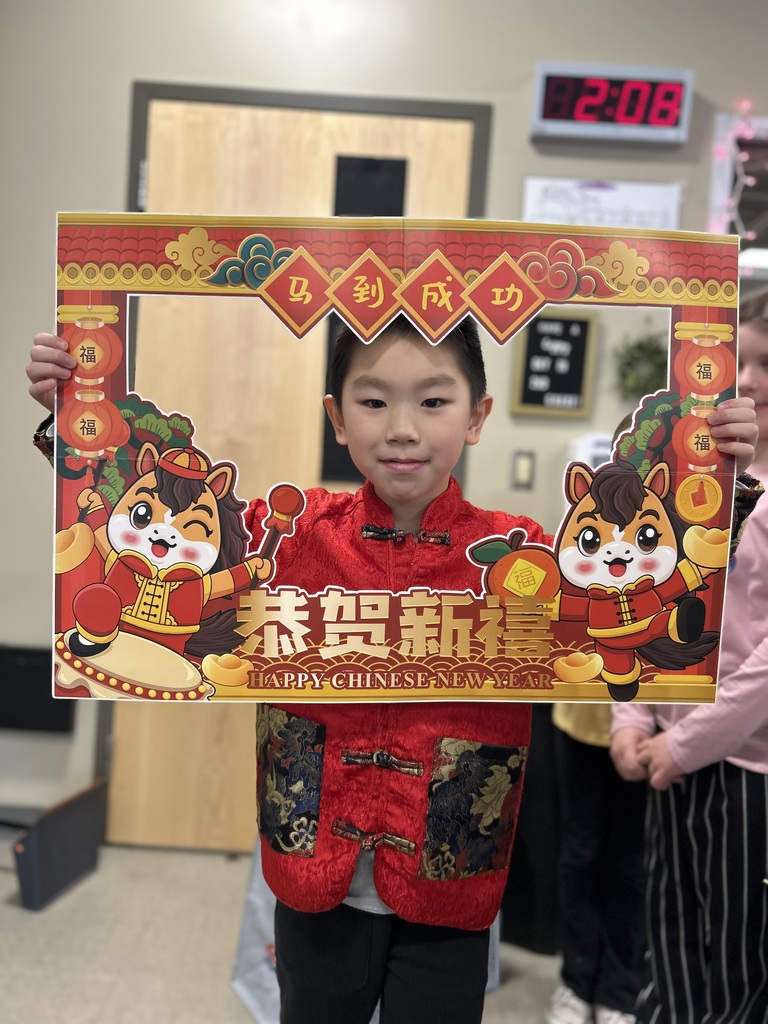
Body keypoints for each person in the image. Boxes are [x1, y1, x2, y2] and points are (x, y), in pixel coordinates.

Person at [27, 316, 758, 1024]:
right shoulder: (286, 538)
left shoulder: (524, 554)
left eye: (434, 401)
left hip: (454, 860)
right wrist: (77, 427)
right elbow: (152, 523)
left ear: (477, 416)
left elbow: (649, 586)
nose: (402, 427)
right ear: (337, 418)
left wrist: (725, 475)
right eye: (373, 401)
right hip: (315, 860)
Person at [610, 289, 768, 1024]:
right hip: (670, 756)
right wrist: (632, 720)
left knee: (739, 959)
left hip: (744, 771)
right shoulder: (690, 483)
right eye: (744, 360)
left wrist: (689, 741)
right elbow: (643, 597)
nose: (753, 380)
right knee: (669, 939)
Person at [547, 701, 646, 1024]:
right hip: (582, 714)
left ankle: (620, 989)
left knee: (632, 861)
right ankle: (576, 981)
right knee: (580, 853)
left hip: (650, 726)